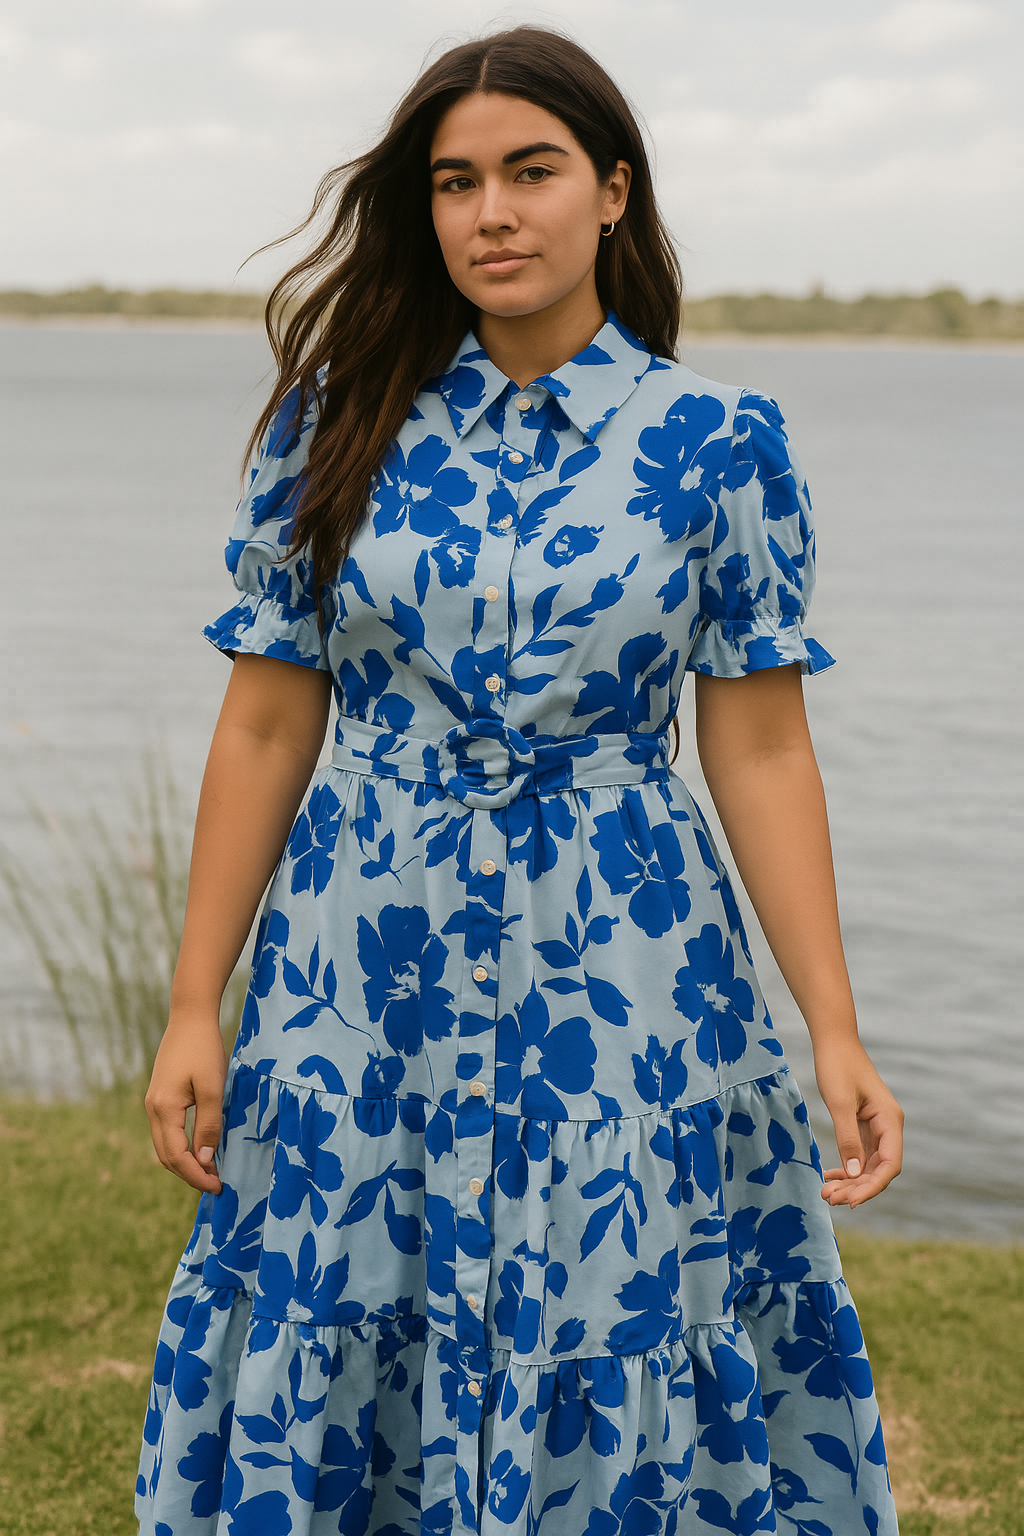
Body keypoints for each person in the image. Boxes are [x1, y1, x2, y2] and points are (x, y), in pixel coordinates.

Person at [137, 25, 903, 1536]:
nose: (493, 212)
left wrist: (833, 1024)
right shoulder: (334, 422)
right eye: (457, 181)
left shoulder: (719, 441)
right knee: (350, 1287)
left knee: (615, 1303)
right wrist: (190, 1002)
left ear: (612, 192)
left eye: (532, 172)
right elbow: (269, 726)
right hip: (367, 952)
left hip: (626, 960)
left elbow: (755, 744)